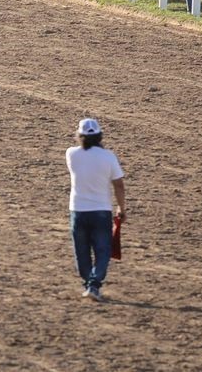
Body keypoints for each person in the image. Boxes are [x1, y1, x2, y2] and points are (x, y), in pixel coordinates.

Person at [66, 118, 126, 302]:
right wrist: (121, 209)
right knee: (103, 251)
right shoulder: (108, 157)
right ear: (99, 135)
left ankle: (88, 283)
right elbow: (119, 185)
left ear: (80, 136)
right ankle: (94, 284)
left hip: (78, 210)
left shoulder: (71, 154)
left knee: (81, 250)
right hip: (101, 210)